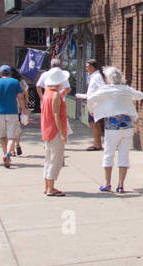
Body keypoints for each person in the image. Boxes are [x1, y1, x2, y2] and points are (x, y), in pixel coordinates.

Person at [88, 66, 143, 193]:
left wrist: (92, 110)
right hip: (127, 125)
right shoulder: (126, 89)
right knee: (124, 154)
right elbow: (140, 95)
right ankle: (121, 185)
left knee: (109, 153)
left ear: (108, 79)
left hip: (112, 126)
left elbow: (91, 99)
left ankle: (107, 183)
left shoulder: (106, 90)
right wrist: (127, 96)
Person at [40, 65, 71, 196]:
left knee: (48, 159)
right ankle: (51, 188)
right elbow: (56, 115)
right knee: (55, 160)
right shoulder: (55, 96)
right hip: (55, 131)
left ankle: (47, 186)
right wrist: (63, 134)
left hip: (47, 130)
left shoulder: (47, 93)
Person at [0, 64, 25, 168]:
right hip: (12, 112)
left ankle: (6, 155)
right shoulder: (15, 82)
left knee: (2, 136)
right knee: (11, 137)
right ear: (9, 73)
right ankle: (8, 154)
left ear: (0, 73)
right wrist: (23, 109)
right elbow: (20, 97)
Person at [75, 59, 106, 150]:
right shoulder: (93, 76)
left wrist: (91, 97)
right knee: (92, 122)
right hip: (92, 103)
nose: (86, 68)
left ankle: (97, 144)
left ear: (92, 67)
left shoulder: (97, 77)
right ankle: (97, 143)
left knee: (95, 123)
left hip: (95, 105)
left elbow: (102, 88)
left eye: (87, 66)